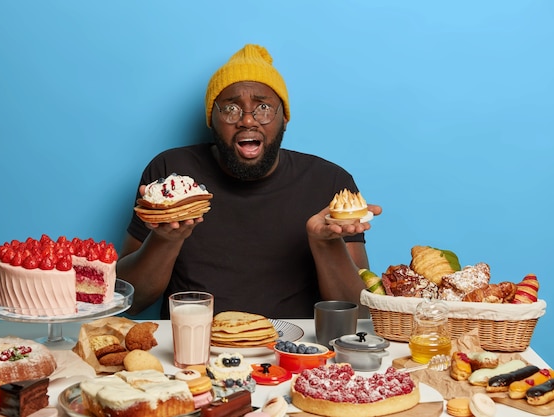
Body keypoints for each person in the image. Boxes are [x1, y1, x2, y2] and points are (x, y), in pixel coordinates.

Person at [117, 44, 382, 320]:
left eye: (264, 107)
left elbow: (360, 313)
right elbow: (129, 300)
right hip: (195, 348)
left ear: (284, 118)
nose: (246, 120)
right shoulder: (171, 176)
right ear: (212, 118)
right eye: (230, 108)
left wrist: (326, 244)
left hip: (295, 353)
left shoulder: (330, 184)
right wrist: (165, 239)